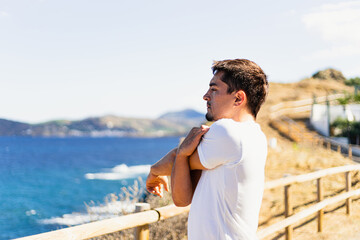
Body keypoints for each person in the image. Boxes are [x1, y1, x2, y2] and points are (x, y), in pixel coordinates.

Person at [146, 59, 268, 239]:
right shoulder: (256, 136)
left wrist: (154, 171)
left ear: (238, 98)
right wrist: (181, 155)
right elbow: (182, 199)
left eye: (214, 89)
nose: (205, 96)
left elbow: (178, 162)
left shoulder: (228, 131)